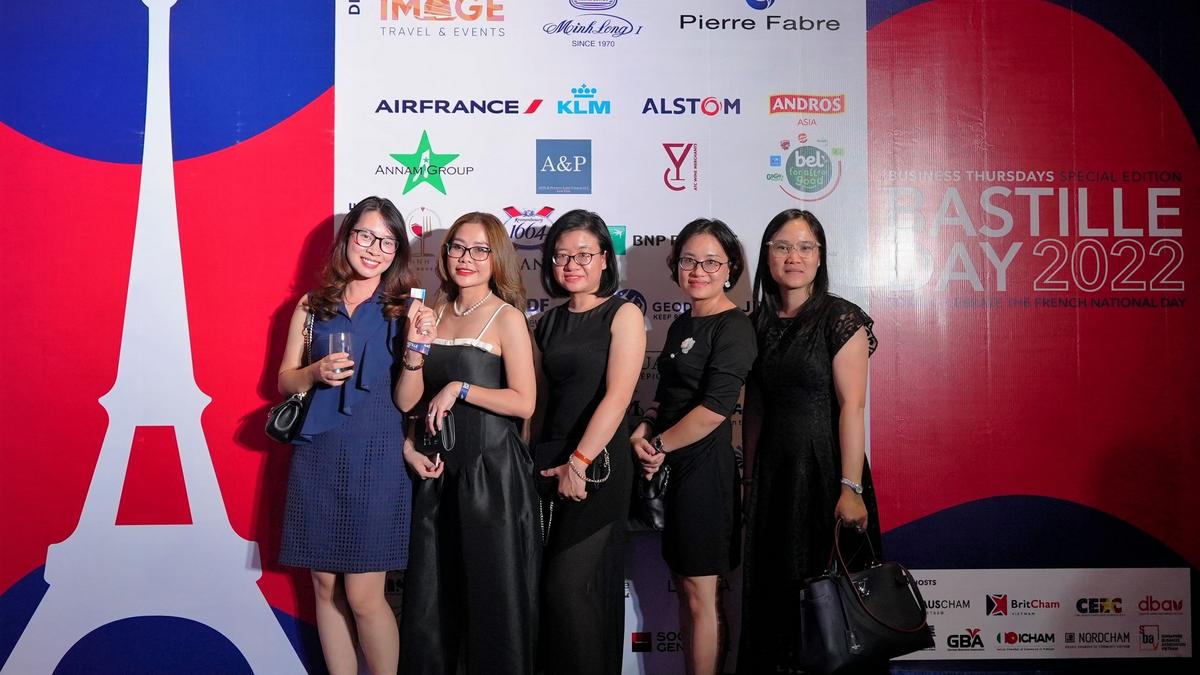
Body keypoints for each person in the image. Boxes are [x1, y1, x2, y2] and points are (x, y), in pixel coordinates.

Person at [394, 212, 541, 675]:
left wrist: (460, 388)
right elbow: (408, 401)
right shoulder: (430, 313)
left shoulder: (507, 317)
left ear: (496, 258)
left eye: (480, 250)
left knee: (493, 599)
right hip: (438, 475)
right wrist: (414, 354)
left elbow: (524, 402)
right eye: (458, 247)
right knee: (433, 602)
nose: (466, 258)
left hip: (491, 475)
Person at [738, 208, 881, 674]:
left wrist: (851, 488)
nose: (793, 257)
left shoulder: (841, 318)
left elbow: (853, 407)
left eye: (805, 247)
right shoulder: (756, 323)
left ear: (820, 257)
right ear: (767, 255)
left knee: (830, 604)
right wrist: (749, 481)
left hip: (827, 472)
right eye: (782, 246)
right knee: (775, 596)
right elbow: (755, 410)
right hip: (774, 476)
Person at [277, 196, 414, 675]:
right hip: (318, 454)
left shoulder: (405, 310)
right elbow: (285, 380)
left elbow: (410, 399)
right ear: (347, 238)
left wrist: (417, 354)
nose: (373, 249)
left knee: (363, 594)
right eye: (365, 236)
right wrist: (314, 371)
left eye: (387, 241)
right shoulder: (312, 305)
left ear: (397, 251)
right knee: (324, 585)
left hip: (378, 455)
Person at [631, 218, 756, 675]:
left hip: (705, 473)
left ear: (730, 268)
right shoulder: (683, 322)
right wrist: (645, 429)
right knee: (684, 588)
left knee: (702, 595)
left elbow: (714, 411)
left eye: (710, 262)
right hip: (671, 470)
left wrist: (658, 446)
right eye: (688, 261)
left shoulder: (734, 327)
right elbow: (667, 396)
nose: (698, 271)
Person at [532, 209, 645, 675]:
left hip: (597, 467)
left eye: (583, 254)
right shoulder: (546, 323)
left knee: (568, 587)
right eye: (561, 256)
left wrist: (579, 462)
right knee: (552, 594)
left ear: (603, 259)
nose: (571, 264)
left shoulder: (624, 313)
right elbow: (540, 404)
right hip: (548, 464)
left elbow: (618, 397)